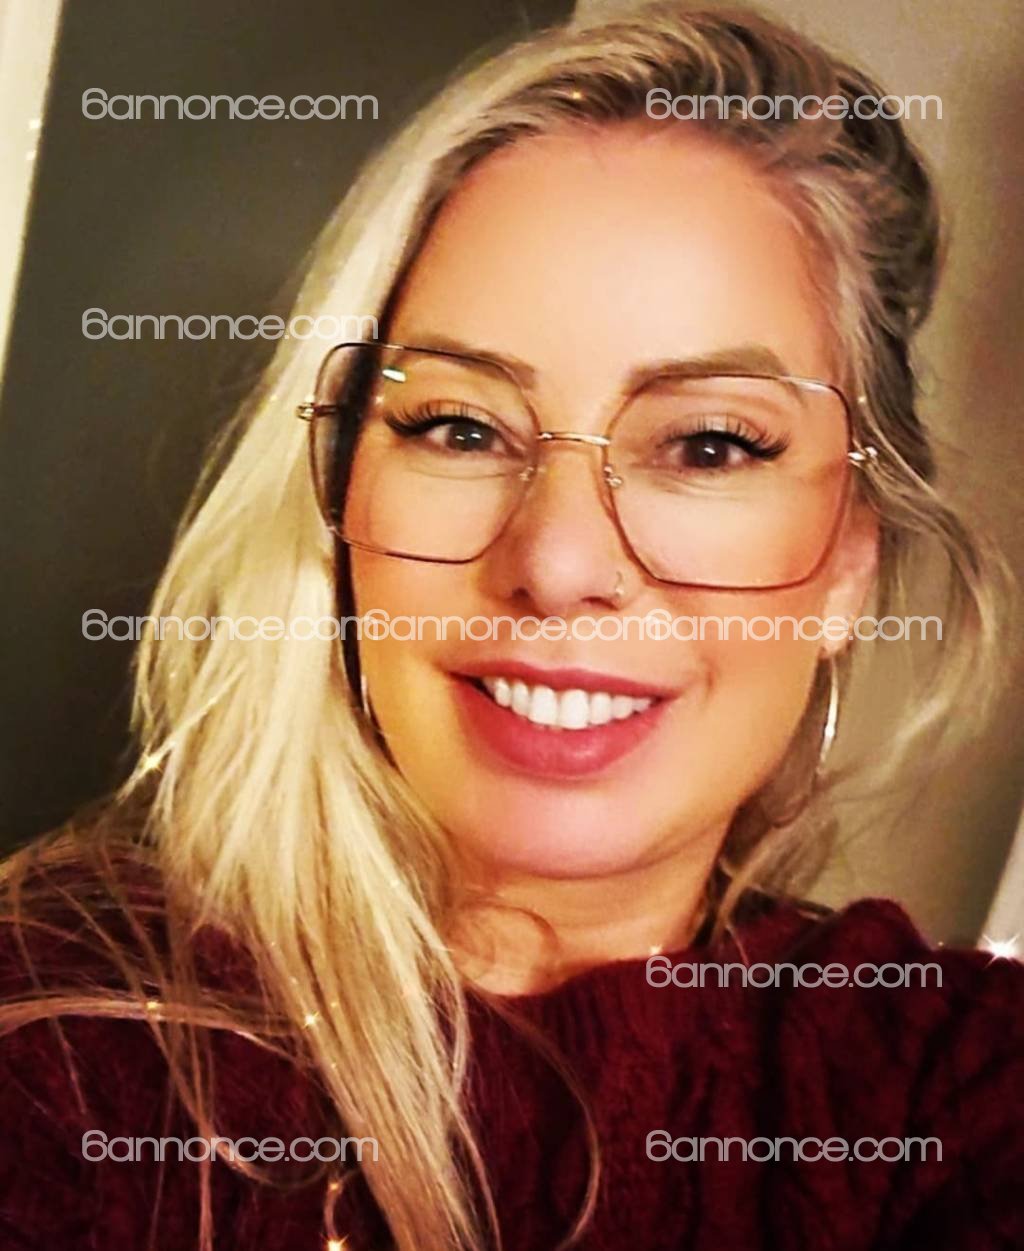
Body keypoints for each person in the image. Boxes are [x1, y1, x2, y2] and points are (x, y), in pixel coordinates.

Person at [1, 4, 1020, 1249]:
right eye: (460, 427)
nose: (558, 562)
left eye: (708, 444)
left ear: (849, 565)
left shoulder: (951, 1089)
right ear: (337, 489)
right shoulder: (54, 1049)